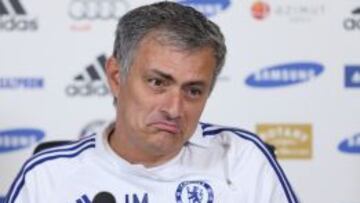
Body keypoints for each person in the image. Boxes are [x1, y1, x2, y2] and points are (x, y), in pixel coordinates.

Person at [5, 2, 298, 203]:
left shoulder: (243, 160)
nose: (174, 108)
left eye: (193, 91)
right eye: (158, 83)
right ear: (116, 76)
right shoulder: (47, 176)